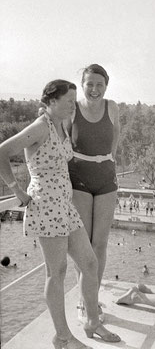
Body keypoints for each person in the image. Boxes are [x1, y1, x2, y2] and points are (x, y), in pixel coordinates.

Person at [0, 80, 120, 349]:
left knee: (89, 264)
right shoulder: (39, 127)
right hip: (45, 206)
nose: (72, 106)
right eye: (68, 101)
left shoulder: (59, 125)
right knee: (57, 272)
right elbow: (2, 152)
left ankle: (92, 321)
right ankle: (62, 336)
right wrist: (17, 191)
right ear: (51, 101)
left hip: (65, 206)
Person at [67, 64, 120, 323]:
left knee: (100, 243)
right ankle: (82, 300)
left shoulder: (112, 107)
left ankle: (92, 298)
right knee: (84, 245)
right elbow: (61, 137)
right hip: (79, 176)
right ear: (82, 84)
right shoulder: (73, 109)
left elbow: (116, 137)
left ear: (106, 86)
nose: (95, 89)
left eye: (100, 84)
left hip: (105, 176)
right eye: (90, 84)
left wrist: (107, 159)